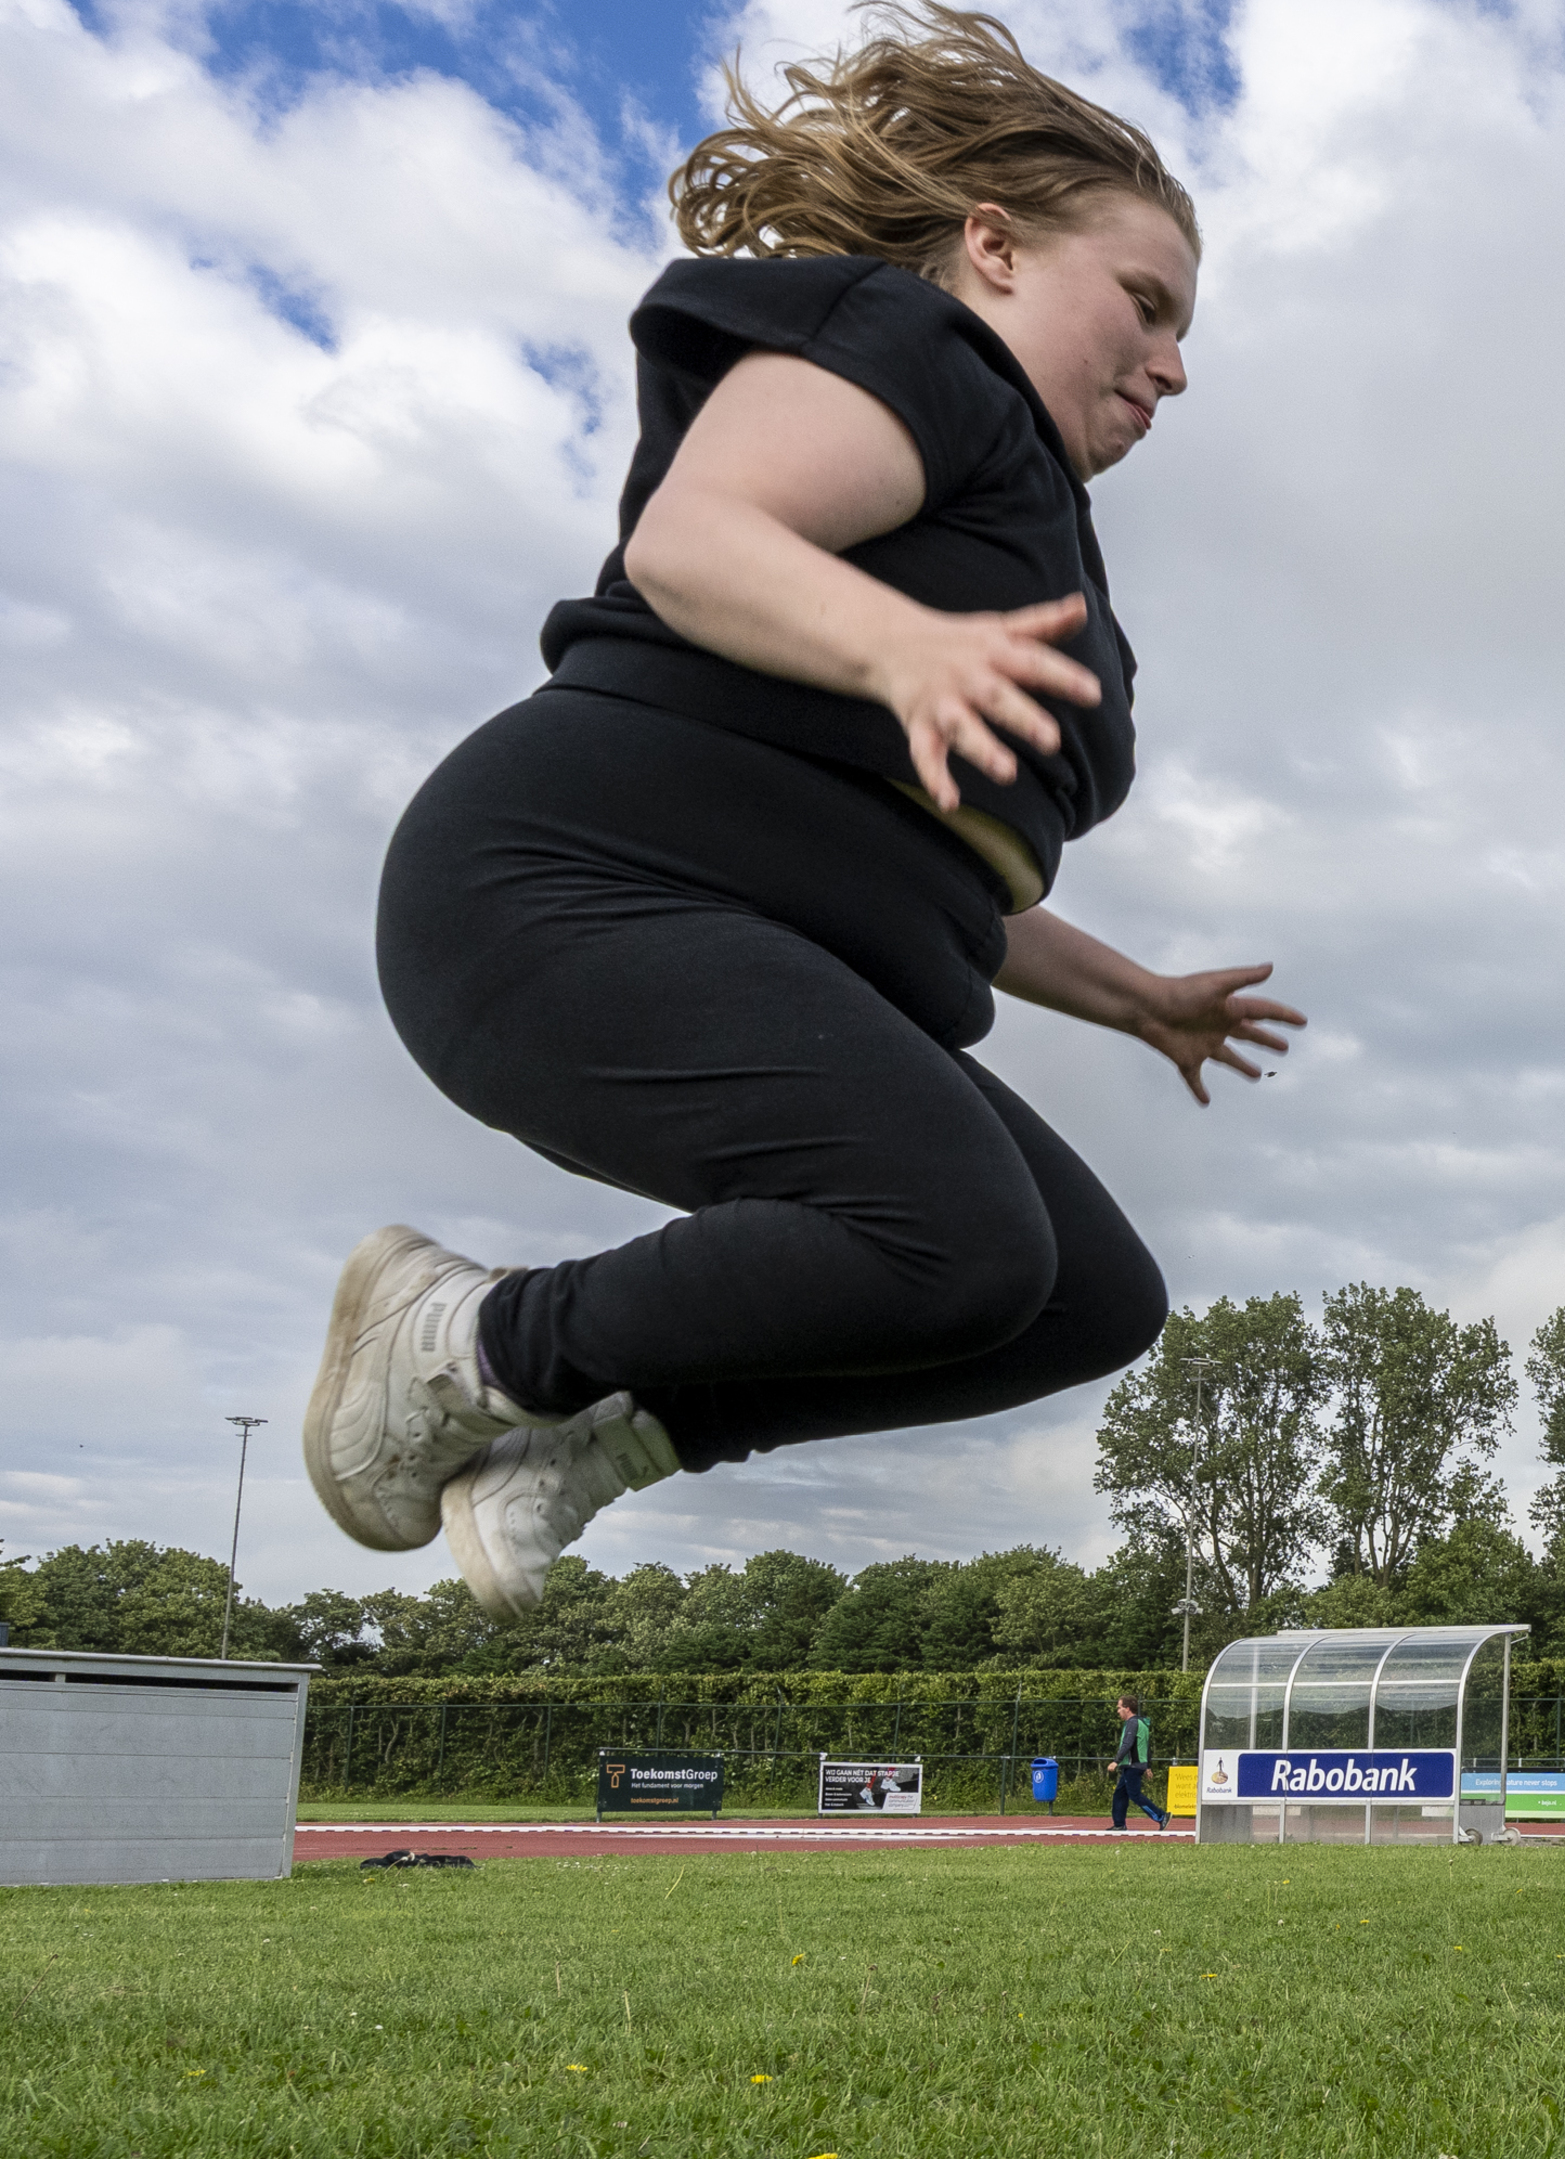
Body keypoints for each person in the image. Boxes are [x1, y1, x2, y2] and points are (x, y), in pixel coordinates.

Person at [297, 5, 1299, 1618]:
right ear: (990, 246)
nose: (1175, 364)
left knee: (1084, 1294)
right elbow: (702, 538)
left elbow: (919, 849)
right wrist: (901, 643)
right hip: (560, 884)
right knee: (954, 1233)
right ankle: (465, 1339)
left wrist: (1137, 997)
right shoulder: (907, 345)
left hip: (749, 920)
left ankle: (596, 1434)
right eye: (1146, 303)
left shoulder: (1030, 531)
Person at [1109, 1694, 1171, 1830]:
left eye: (1119, 1708)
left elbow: (1127, 1744)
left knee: (1134, 1795)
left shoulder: (1132, 1723)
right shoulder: (1142, 1723)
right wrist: (1148, 1766)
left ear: (1128, 1708)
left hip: (1132, 1765)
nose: (1118, 1711)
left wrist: (1115, 1761)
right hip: (1135, 1765)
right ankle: (1119, 1824)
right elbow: (1146, 1746)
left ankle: (1161, 1816)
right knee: (1120, 1794)